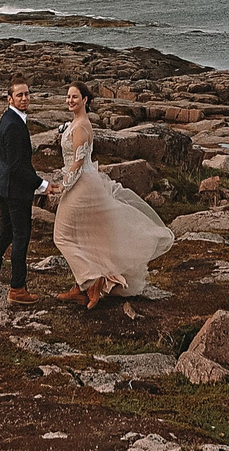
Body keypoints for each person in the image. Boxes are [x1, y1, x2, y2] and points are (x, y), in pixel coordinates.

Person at [47, 82, 174, 308]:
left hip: (82, 184)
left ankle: (92, 281)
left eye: (74, 97)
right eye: (68, 97)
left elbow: (77, 163)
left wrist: (63, 186)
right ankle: (82, 285)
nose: (69, 100)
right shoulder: (75, 122)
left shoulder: (82, 126)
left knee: (62, 235)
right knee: (84, 236)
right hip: (81, 183)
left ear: (85, 100)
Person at [0, 78, 42, 303]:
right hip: (15, 190)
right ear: (9, 98)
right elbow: (17, 165)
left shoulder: (10, 119)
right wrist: (40, 184)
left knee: (5, 233)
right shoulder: (13, 124)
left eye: (27, 94)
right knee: (20, 236)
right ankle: (17, 289)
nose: (24, 98)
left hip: (5, 186)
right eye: (20, 95)